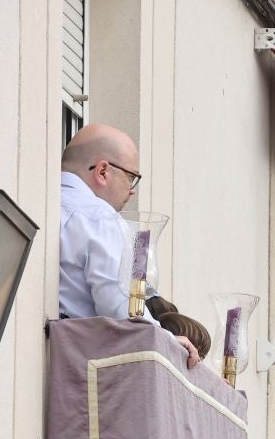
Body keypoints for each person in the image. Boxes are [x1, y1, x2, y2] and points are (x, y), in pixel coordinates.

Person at [58, 124, 205, 365]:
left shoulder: (40, 199)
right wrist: (165, 339)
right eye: (131, 177)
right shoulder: (101, 217)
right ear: (103, 171)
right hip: (81, 367)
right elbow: (119, 302)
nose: (132, 191)